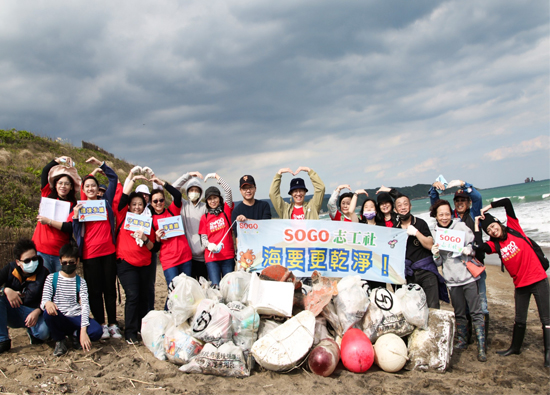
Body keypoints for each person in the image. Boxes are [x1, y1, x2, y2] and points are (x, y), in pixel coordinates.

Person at [474, 198, 550, 367]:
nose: (493, 231)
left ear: (499, 224)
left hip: (538, 280)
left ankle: (548, 354)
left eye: (494, 226)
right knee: (519, 318)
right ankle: (515, 348)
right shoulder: (495, 245)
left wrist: (486, 209)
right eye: (489, 230)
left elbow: (507, 202)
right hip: (521, 285)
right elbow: (479, 247)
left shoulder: (515, 229)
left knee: (546, 319)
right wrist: (477, 224)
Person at [429, 179, 489, 333]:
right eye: (457, 200)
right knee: (463, 307)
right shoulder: (450, 218)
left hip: (474, 263)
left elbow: (478, 198)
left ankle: (482, 336)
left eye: (464, 200)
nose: (460, 203)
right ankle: (467, 336)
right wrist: (434, 188)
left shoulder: (474, 213)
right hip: (455, 268)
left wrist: (464, 184)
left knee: (480, 303)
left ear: (468, 203)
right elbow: (437, 207)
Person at [429, 200, 486, 362]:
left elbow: (473, 247)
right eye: (441, 214)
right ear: (436, 216)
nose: (444, 217)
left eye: (447, 214)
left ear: (451, 213)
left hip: (468, 277)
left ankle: (482, 345)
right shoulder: (435, 233)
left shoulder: (460, 227)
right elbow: (439, 263)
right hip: (452, 281)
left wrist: (470, 250)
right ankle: (462, 340)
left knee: (476, 311)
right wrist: (435, 254)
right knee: (459, 312)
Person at [72, 157, 121, 340]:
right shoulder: (80, 206)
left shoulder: (105, 202)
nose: (91, 188)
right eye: (87, 186)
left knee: (110, 289)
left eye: (93, 185)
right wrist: (76, 217)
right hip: (90, 255)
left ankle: (113, 324)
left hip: (108, 252)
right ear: (83, 190)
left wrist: (100, 164)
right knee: (95, 291)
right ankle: (101, 324)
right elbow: (75, 231)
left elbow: (113, 179)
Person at [41, 242, 103, 356]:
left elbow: (85, 305)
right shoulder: (51, 279)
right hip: (60, 315)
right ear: (60, 261)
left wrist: (83, 330)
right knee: (47, 314)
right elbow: (44, 301)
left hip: (75, 316)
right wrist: (47, 303)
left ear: (77, 261)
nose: (67, 265)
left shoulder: (81, 282)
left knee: (97, 331)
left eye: (71, 262)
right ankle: (60, 341)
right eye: (64, 262)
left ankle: (76, 334)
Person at [116, 187, 160, 344]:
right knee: (133, 295)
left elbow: (154, 247)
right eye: (133, 204)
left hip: (145, 264)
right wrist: (132, 177)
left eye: (140, 204)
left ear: (144, 206)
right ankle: (130, 332)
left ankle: (143, 328)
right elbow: (123, 196)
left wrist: (145, 238)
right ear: (128, 206)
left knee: (143, 297)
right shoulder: (123, 216)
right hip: (126, 263)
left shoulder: (148, 222)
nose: (136, 207)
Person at [391, 190, 448, 309]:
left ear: (410, 206)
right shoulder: (394, 229)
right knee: (415, 308)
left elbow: (430, 244)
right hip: (409, 275)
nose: (403, 207)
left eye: (405, 204)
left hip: (426, 271)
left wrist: (416, 233)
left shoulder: (420, 223)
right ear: (395, 210)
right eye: (399, 205)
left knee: (433, 306)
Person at [0, 239, 50, 353]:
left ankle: (33, 333)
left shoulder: (44, 273)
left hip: (33, 313)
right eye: (27, 261)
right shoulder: (9, 269)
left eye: (34, 259)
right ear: (18, 262)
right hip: (13, 310)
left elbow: (49, 298)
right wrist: (5, 290)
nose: (32, 263)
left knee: (44, 333)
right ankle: (3, 340)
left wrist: (37, 311)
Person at [33, 156, 80, 273]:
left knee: (58, 286)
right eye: (60, 183)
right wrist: (58, 160)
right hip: (40, 249)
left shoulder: (73, 205)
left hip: (60, 253)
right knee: (43, 285)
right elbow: (45, 171)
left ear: (71, 187)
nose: (63, 186)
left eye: (67, 184)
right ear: (55, 184)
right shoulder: (47, 194)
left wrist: (48, 221)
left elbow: (69, 227)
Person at [149, 177, 193, 291]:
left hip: (185, 257)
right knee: (174, 293)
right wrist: (158, 238)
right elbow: (155, 247)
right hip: (169, 261)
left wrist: (163, 183)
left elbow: (177, 195)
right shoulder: (151, 220)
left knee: (187, 292)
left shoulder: (172, 210)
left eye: (161, 200)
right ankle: (168, 310)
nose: (159, 203)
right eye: (155, 201)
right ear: (151, 203)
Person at [199, 174, 234, 286]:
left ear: (219, 198)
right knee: (215, 287)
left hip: (227, 256)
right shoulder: (204, 217)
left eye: (215, 198)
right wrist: (209, 245)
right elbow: (203, 237)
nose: (212, 201)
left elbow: (228, 191)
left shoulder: (226, 211)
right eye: (209, 199)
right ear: (206, 201)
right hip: (212, 258)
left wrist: (216, 177)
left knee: (229, 287)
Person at [173, 171, 209, 280]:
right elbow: (173, 188)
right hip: (188, 257)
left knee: (204, 286)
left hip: (203, 256)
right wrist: (189, 175)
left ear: (200, 192)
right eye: (191, 190)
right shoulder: (183, 205)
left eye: (196, 190)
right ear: (187, 192)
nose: (194, 192)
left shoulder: (205, 207)